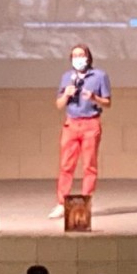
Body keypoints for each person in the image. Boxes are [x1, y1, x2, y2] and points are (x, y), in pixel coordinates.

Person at [48, 43, 111, 219]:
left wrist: (93, 97)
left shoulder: (99, 76)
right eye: (74, 56)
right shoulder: (67, 77)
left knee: (89, 165)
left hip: (91, 123)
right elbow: (59, 105)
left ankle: (85, 201)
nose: (78, 58)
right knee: (66, 165)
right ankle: (62, 203)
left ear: (88, 57)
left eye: (81, 55)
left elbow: (108, 102)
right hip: (71, 124)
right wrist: (66, 94)